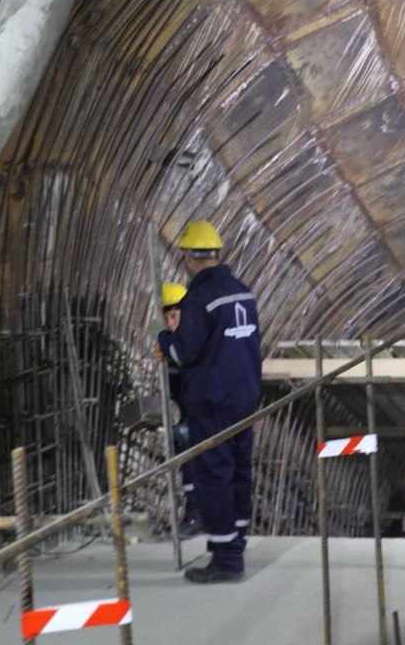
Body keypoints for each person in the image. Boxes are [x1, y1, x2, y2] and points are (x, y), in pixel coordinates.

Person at [155, 220, 262, 584]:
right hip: (245, 399)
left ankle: (226, 559)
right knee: (238, 472)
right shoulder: (243, 292)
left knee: (213, 477)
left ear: (186, 257)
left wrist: (164, 342)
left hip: (212, 403)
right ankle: (237, 539)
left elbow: (185, 353)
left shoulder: (198, 299)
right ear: (219, 253)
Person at [160, 282, 203, 539]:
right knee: (187, 450)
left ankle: (197, 515)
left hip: (207, 414)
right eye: (166, 318)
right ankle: (195, 513)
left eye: (175, 316)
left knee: (190, 447)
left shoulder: (193, 342)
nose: (171, 323)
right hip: (192, 412)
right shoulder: (176, 346)